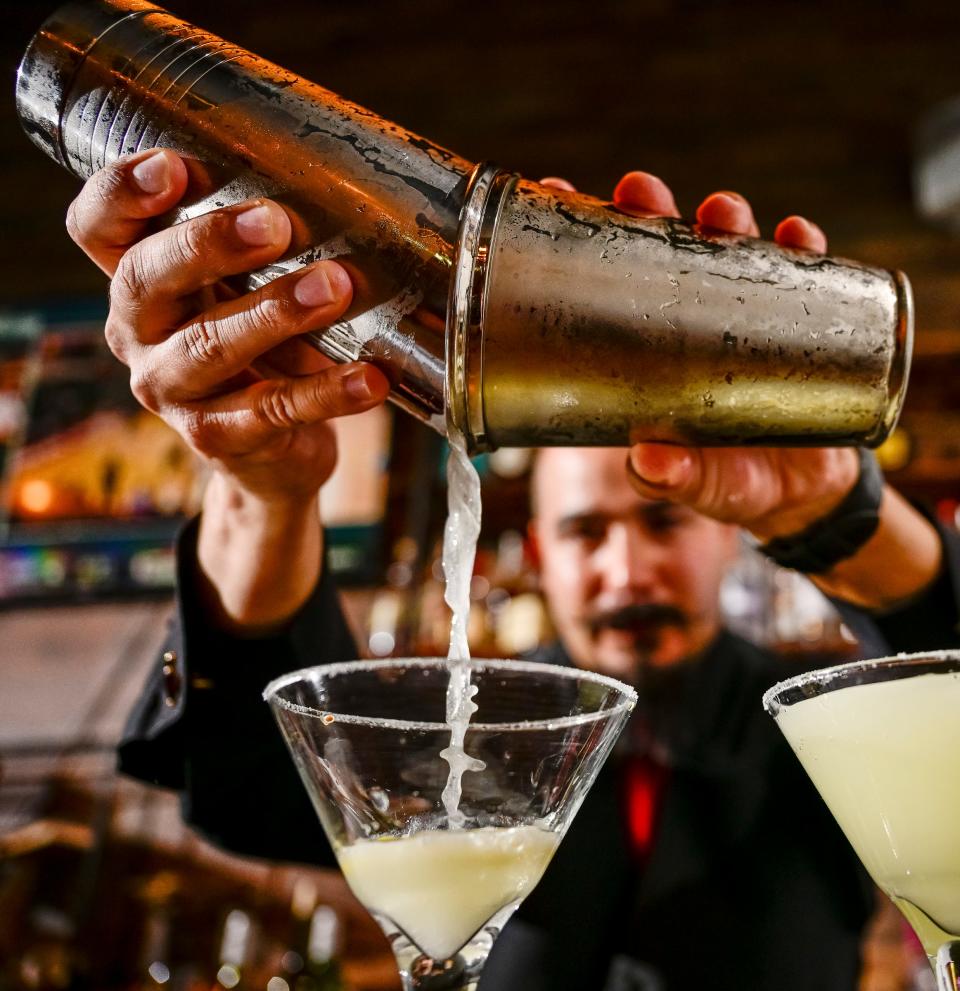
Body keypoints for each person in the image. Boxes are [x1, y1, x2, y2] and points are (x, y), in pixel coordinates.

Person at [65, 149, 960, 990]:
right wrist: (266, 489)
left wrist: (837, 515)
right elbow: (247, 782)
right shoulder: (469, 733)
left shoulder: (823, 720)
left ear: (725, 532)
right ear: (541, 554)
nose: (626, 569)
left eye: (661, 519)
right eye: (584, 531)